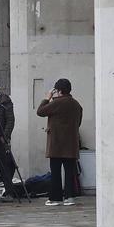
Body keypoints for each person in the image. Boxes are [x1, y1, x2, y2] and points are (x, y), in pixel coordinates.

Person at [37, 78, 83, 206]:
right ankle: (69, 197)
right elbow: (79, 123)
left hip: (56, 144)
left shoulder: (56, 103)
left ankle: (55, 198)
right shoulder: (76, 104)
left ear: (59, 91)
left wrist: (47, 98)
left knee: (55, 172)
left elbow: (40, 111)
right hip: (71, 144)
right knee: (70, 172)